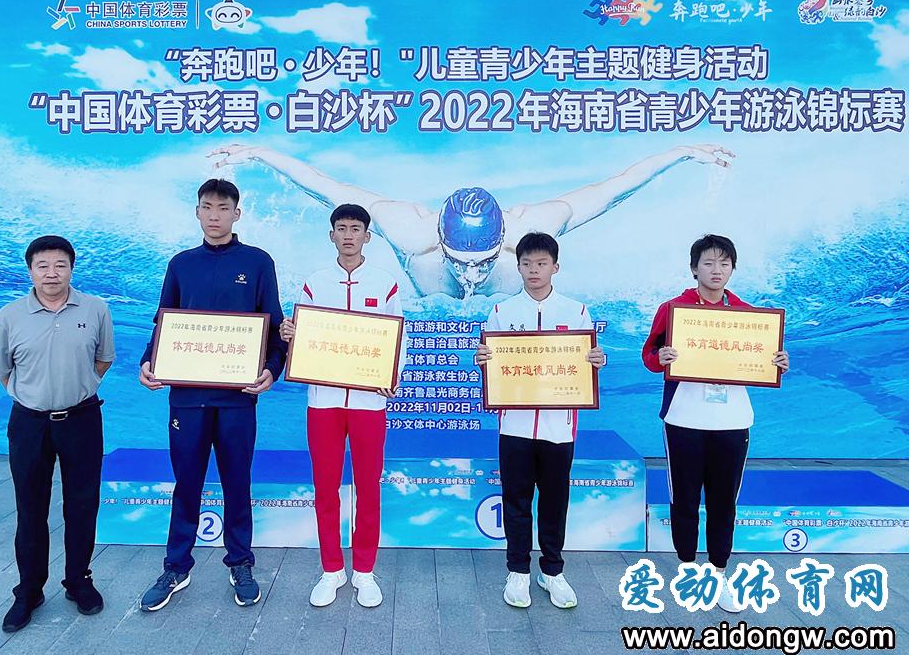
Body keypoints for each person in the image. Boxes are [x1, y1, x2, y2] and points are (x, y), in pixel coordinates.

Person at [210, 143, 734, 298]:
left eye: (480, 263)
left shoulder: (534, 228)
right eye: (460, 262)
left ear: (503, 241)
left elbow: (613, 190)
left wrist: (680, 153)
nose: (470, 274)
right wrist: (260, 154)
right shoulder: (408, 230)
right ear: (440, 241)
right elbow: (325, 187)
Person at [137, 178, 288, 611]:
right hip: (187, 398)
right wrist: (148, 362)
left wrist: (271, 370)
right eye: (207, 207)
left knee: (237, 483)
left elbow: (274, 325)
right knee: (186, 484)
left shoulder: (257, 262)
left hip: (238, 398)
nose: (215, 215)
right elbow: (164, 324)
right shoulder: (181, 264)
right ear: (197, 212)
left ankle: (240, 563)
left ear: (237, 213)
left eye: (223, 208)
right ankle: (176, 567)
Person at [641, 234, 790, 613]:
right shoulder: (673, 310)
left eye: (724, 263)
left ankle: (719, 574)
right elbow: (649, 355)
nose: (716, 270)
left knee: (724, 502)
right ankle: (688, 568)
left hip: (732, 420)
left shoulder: (749, 316)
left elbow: (764, 358)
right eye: (708, 263)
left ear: (732, 269)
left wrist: (777, 362)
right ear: (694, 269)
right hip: (683, 417)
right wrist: (662, 357)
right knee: (685, 498)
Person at [279, 204, 406, 608]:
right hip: (324, 402)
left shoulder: (385, 284)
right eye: (341, 228)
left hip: (369, 403)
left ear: (367, 236)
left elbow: (398, 339)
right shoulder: (315, 284)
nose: (348, 235)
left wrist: (391, 376)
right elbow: (302, 340)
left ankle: (365, 571)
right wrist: (290, 334)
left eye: (355, 229)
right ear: (331, 234)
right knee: (325, 487)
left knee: (368, 487)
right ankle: (331, 569)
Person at [0, 235, 115, 632]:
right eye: (42, 265)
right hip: (29, 424)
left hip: (81, 420)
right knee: (30, 508)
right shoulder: (9, 316)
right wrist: (35, 400)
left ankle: (79, 581)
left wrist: (75, 390)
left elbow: (103, 360)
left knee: (82, 505)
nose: (51, 273)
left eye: (60, 265)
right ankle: (29, 591)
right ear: (30, 270)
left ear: (71, 269)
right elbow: (4, 372)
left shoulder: (95, 309)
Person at [475, 232, 605, 609]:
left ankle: (552, 572)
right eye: (527, 263)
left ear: (555, 267)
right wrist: (483, 360)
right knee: (515, 498)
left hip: (558, 426)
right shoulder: (502, 312)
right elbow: (492, 364)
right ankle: (517, 571)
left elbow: (587, 361)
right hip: (514, 425)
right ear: (518, 267)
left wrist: (597, 361)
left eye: (541, 263)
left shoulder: (576, 312)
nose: (534, 270)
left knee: (554, 500)